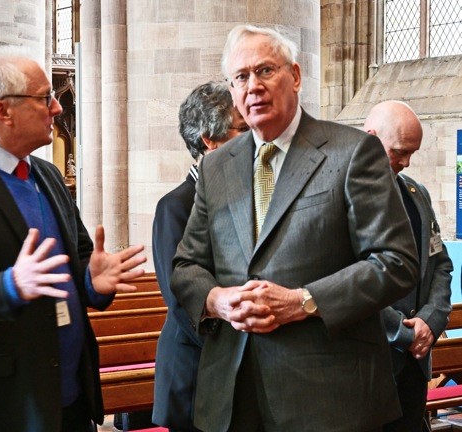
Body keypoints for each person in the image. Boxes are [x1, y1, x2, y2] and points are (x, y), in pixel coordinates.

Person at [170, 25, 420, 432]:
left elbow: (397, 262)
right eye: (241, 77)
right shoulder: (217, 167)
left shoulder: (353, 153)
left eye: (265, 70)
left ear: (296, 77)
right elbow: (186, 266)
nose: (253, 86)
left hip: (327, 398)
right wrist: (218, 300)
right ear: (233, 92)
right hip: (233, 394)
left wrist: (304, 301)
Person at [0, 46, 146, 432]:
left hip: (68, 398)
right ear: (3, 111)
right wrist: (10, 286)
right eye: (44, 98)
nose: (56, 108)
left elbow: (79, 259)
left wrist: (91, 279)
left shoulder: (47, 176)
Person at [152, 81, 248, 432]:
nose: (254, 137)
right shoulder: (175, 206)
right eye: (244, 128)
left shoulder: (244, 197)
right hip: (196, 373)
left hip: (238, 370)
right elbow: (181, 300)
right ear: (210, 139)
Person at [364, 100, 453, 432]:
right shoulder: (340, 200)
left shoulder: (417, 194)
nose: (406, 161)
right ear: (371, 139)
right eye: (399, 151)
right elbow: (346, 280)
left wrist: (430, 321)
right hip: (371, 365)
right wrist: (402, 332)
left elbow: (440, 262)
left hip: (415, 363)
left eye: (412, 152)